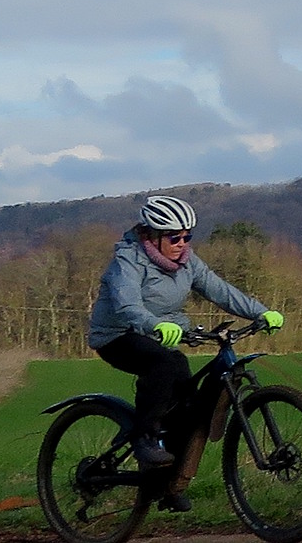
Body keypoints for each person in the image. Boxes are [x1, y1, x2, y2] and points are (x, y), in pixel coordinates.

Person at [87, 195, 284, 510]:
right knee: (163, 364)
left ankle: (168, 481)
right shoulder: (128, 260)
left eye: (187, 237)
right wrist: (155, 324)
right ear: (152, 235)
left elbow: (220, 290)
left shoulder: (188, 263)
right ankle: (145, 438)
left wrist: (261, 312)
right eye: (174, 238)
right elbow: (127, 305)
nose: (182, 244)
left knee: (187, 403)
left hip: (160, 336)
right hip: (118, 335)